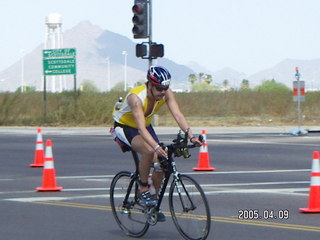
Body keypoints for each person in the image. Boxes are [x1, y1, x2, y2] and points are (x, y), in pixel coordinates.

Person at [112, 66, 202, 221]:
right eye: (160, 88)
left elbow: (178, 115)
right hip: (125, 127)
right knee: (149, 151)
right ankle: (143, 188)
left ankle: (152, 202)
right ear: (150, 85)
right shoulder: (136, 98)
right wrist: (155, 147)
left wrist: (192, 136)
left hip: (145, 125)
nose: (163, 91)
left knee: (163, 162)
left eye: (165, 88)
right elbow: (140, 128)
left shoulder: (166, 93)